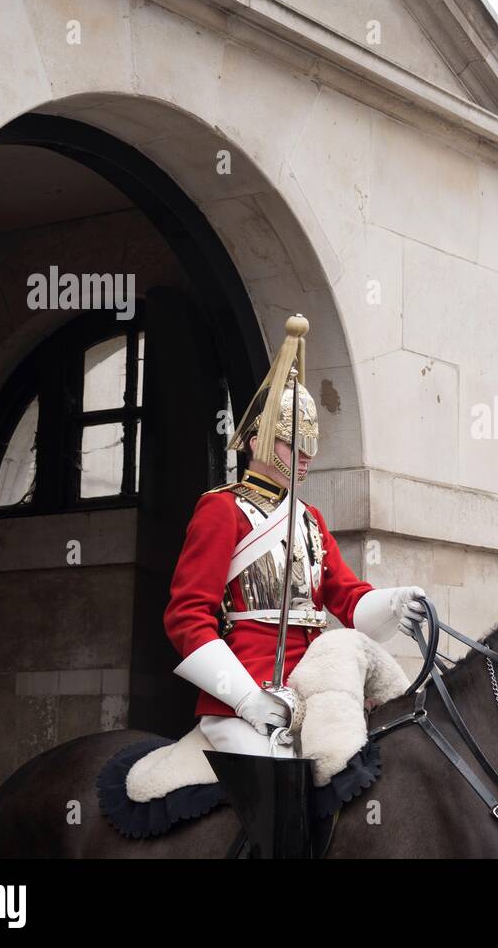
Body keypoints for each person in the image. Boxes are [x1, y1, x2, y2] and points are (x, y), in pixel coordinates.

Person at [164, 315, 427, 757]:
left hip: (316, 690)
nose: (305, 457)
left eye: (309, 446)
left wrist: (394, 600)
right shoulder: (221, 509)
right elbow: (187, 616)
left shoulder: (309, 518)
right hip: (245, 694)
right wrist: (243, 697)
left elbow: (346, 597)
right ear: (256, 442)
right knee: (277, 791)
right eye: (292, 444)